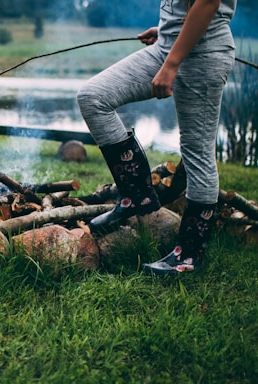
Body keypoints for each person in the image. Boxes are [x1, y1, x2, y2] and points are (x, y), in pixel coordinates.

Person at [76, 0, 236, 276]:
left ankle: (188, 254)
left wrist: (172, 63)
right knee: (93, 97)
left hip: (203, 54)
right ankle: (135, 196)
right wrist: (169, 31)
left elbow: (208, 2)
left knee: (197, 151)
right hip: (169, 46)